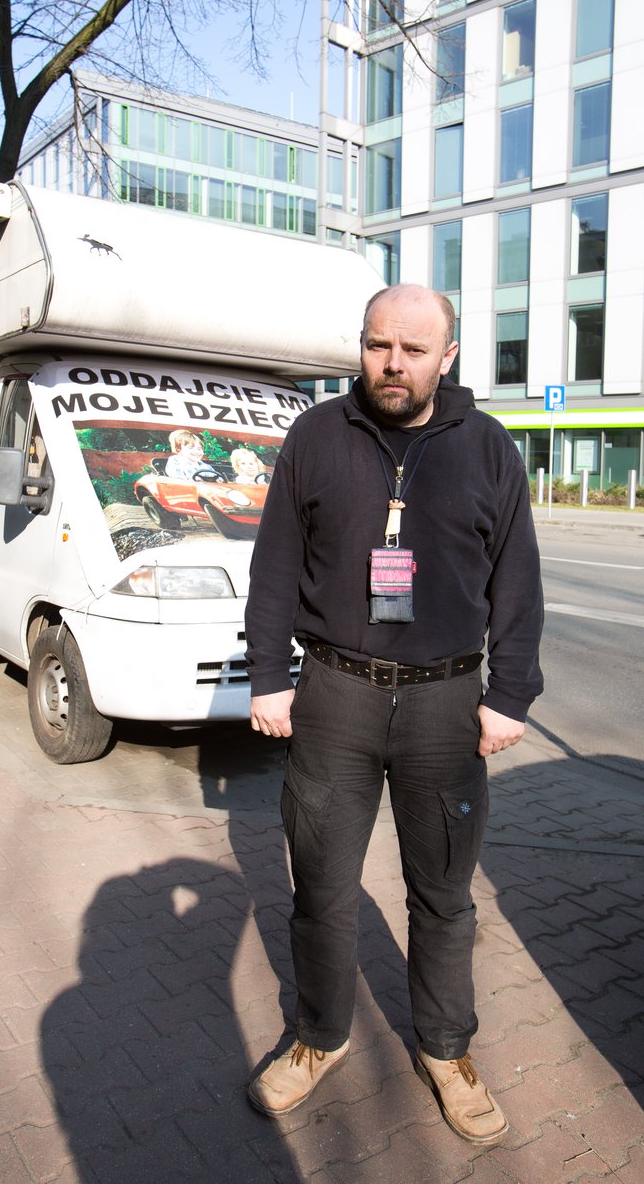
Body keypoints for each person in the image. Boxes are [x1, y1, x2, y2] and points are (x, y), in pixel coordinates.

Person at [244, 284, 543, 1144]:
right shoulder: (317, 437)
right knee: (322, 888)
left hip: (448, 705)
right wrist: (269, 676)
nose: (394, 364)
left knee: (445, 895)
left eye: (415, 349)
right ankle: (318, 1036)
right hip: (333, 694)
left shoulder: (487, 450)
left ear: (449, 355)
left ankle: (446, 1048)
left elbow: (515, 585)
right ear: (363, 345)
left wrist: (508, 695)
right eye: (380, 345)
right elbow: (275, 565)